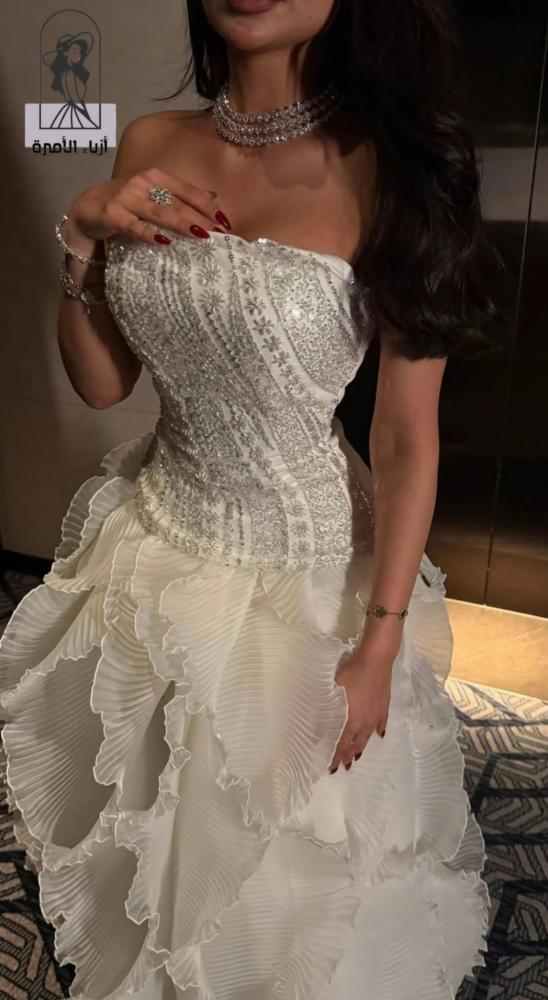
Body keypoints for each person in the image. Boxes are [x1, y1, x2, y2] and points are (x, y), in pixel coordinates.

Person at [0, 1, 499, 998]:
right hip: (157, 531)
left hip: (301, 575)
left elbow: (405, 436)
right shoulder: (151, 141)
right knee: (149, 806)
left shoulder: (395, 167)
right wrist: (84, 240)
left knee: (287, 866)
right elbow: (102, 384)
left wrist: (379, 641)